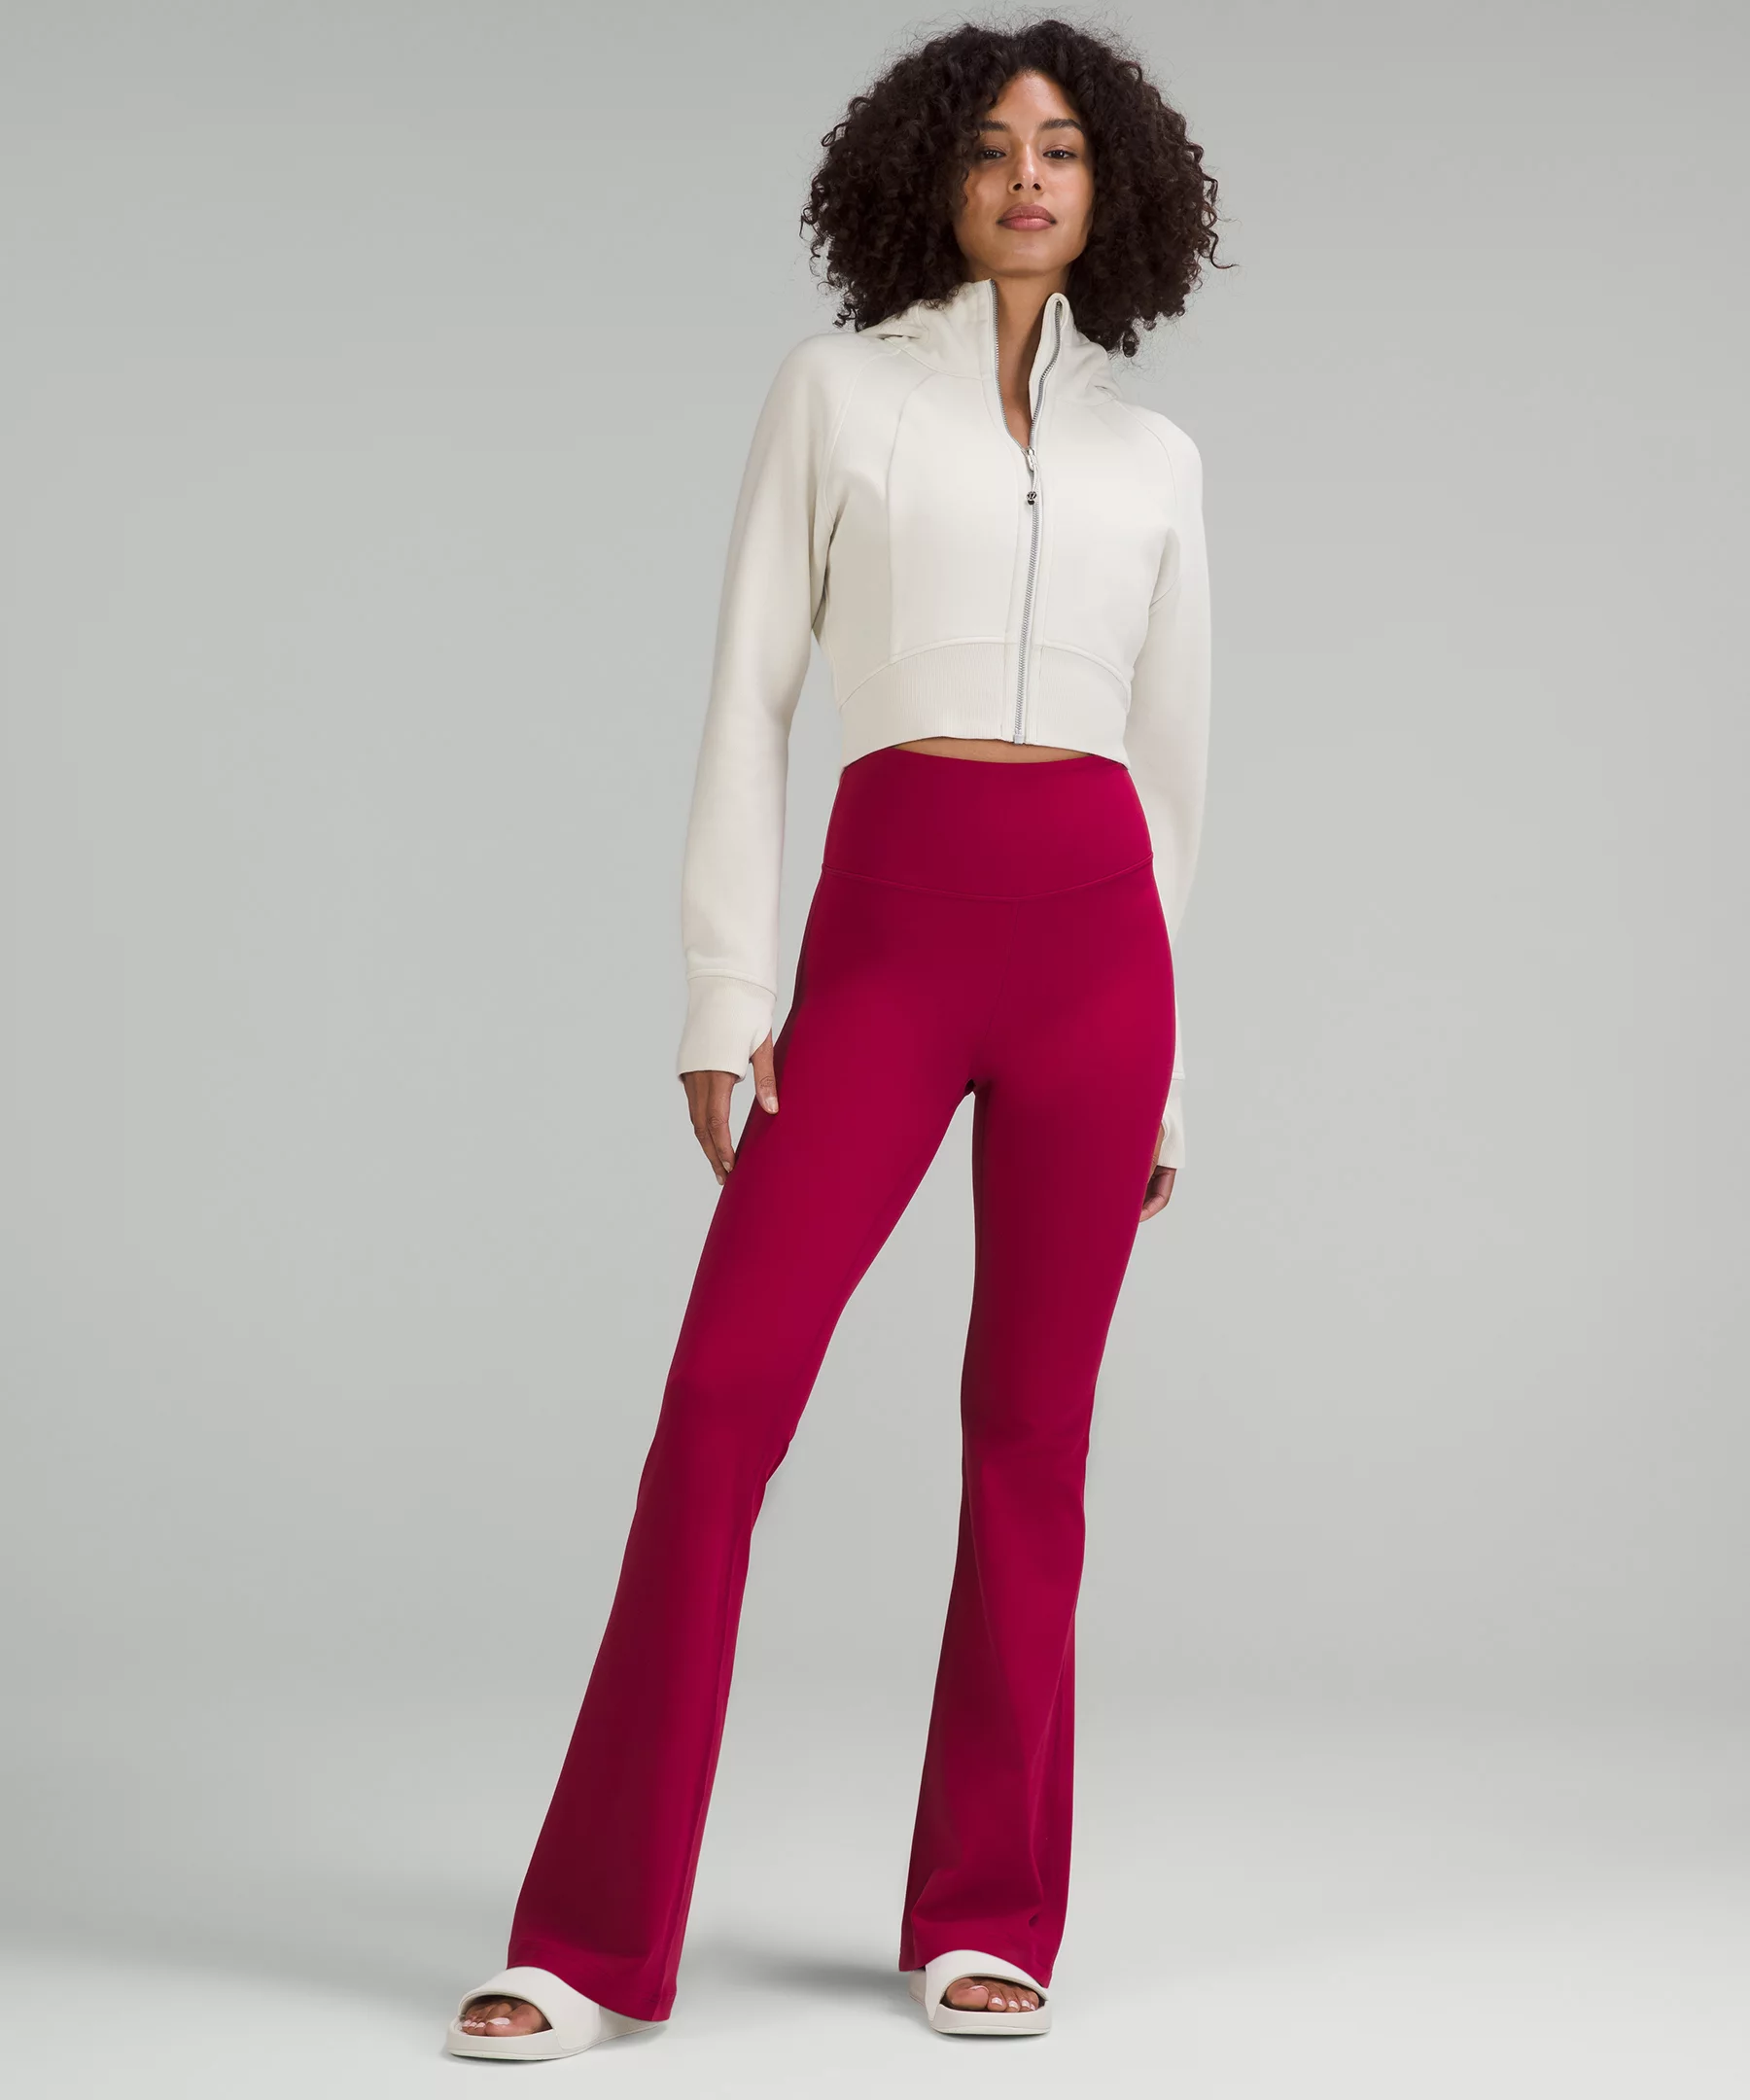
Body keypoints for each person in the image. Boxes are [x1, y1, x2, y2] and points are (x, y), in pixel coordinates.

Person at [446, 16, 1221, 2060]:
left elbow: (1174, 777)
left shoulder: (1156, 461)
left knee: (1033, 1442)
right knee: (721, 1403)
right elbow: (749, 695)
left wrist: (1174, 1073)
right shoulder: (838, 392)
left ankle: (986, 1914)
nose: (1029, 178)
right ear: (929, 176)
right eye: (993, 146)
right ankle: (586, 1940)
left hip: (1099, 965)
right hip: (886, 941)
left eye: (1065, 148)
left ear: (1114, 188)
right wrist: (726, 989)